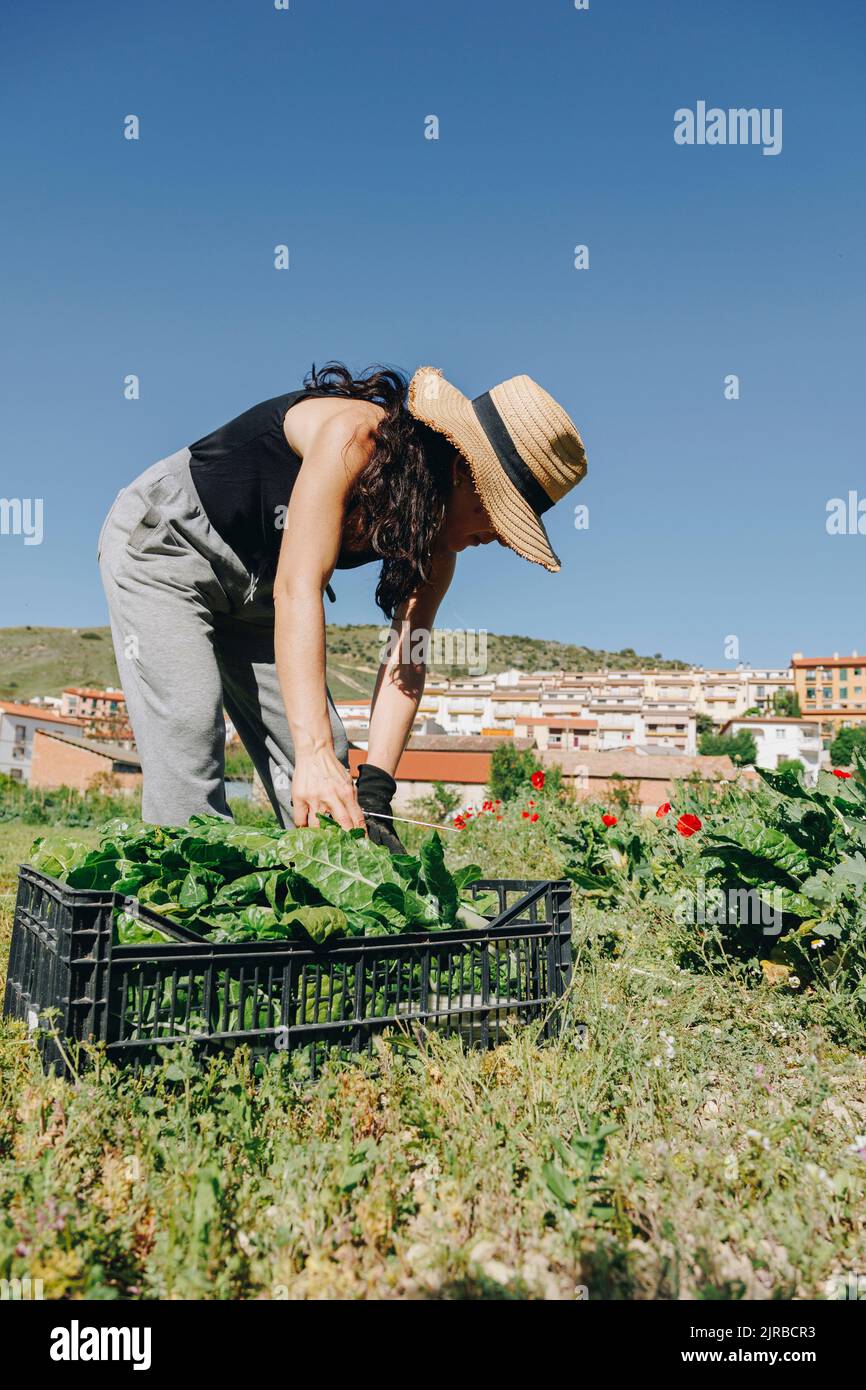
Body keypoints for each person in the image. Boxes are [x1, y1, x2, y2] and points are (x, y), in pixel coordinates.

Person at [97, 362, 588, 849]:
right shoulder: (356, 438)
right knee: (190, 731)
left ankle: (331, 903)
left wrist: (375, 789)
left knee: (330, 760)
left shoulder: (438, 548)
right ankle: (178, 915)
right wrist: (309, 756)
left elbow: (406, 660)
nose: (499, 539)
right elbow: (299, 587)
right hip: (169, 546)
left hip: (260, 595)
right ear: (463, 470)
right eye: (498, 514)